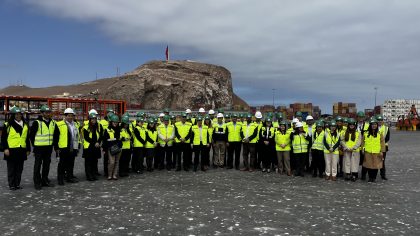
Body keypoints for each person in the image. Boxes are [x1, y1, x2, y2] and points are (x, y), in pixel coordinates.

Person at [1, 106, 31, 190]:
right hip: (11, 150)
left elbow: (26, 138)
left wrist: (28, 149)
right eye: (16, 114)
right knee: (11, 168)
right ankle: (12, 185)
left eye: (20, 114)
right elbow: (3, 138)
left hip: (22, 150)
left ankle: (17, 184)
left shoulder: (25, 125)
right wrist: (5, 149)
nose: (18, 116)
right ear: (13, 115)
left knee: (19, 168)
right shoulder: (8, 125)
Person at [29, 105, 56, 190]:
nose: (47, 114)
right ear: (42, 113)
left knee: (46, 165)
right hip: (39, 148)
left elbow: (55, 135)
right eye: (46, 112)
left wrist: (55, 146)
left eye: (49, 112)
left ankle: (44, 180)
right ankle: (37, 182)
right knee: (37, 165)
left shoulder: (53, 123)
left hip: (48, 148)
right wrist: (35, 146)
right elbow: (31, 136)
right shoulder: (37, 122)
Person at [53, 108, 80, 185]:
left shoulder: (76, 124)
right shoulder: (59, 124)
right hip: (63, 147)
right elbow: (55, 137)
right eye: (69, 116)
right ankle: (60, 179)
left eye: (72, 116)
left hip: (73, 147)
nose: (70, 117)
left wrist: (78, 146)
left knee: (71, 163)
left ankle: (69, 177)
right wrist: (56, 148)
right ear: (65, 116)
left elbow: (77, 136)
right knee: (62, 164)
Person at [362, 118, 386, 183]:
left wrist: (382, 151)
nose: (374, 125)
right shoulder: (366, 133)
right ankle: (370, 177)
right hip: (368, 152)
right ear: (370, 125)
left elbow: (382, 143)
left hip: (377, 152)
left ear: (377, 125)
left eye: (375, 124)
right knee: (369, 166)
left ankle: (374, 178)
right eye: (372, 124)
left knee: (375, 166)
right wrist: (362, 149)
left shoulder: (379, 134)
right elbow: (363, 142)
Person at [82, 113, 103, 181]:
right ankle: (89, 175)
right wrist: (95, 143)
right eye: (92, 119)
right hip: (89, 147)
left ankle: (93, 174)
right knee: (88, 162)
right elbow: (86, 137)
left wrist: (98, 142)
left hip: (96, 147)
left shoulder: (99, 126)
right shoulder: (86, 127)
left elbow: (101, 135)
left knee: (94, 161)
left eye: (95, 119)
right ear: (89, 119)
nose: (93, 120)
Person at [103, 115, 122, 180]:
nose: (115, 123)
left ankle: (114, 175)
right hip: (110, 148)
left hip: (118, 148)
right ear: (111, 122)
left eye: (116, 122)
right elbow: (105, 140)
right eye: (114, 122)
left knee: (117, 162)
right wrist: (104, 149)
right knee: (111, 162)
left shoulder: (119, 129)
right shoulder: (107, 129)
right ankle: (109, 175)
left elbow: (120, 139)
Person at [377, 115, 390, 180]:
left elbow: (387, 138)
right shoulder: (374, 127)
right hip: (375, 146)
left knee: (382, 161)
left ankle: (383, 175)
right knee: (375, 161)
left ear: (383, 121)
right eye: (378, 120)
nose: (380, 121)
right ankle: (373, 175)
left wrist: (381, 143)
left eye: (381, 120)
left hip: (383, 147)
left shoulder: (386, 128)